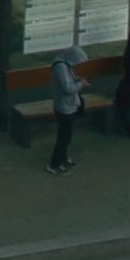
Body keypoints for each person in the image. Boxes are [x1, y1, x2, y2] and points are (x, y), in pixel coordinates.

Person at [47, 44, 83, 173]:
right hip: (65, 107)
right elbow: (68, 88)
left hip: (67, 105)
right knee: (63, 137)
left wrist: (76, 80)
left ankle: (64, 157)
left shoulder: (64, 65)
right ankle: (55, 164)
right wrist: (80, 84)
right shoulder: (61, 68)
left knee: (66, 135)